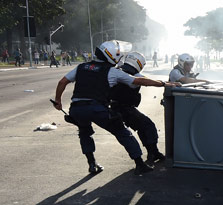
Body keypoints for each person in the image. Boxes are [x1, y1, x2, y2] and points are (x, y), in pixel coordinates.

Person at [52, 41, 177, 175]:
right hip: (97, 108)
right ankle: (140, 164)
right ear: (111, 55)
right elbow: (138, 81)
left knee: (84, 132)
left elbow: (62, 82)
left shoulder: (82, 67)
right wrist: (164, 83)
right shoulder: (112, 71)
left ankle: (92, 164)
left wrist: (58, 101)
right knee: (122, 133)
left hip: (77, 109)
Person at [109, 51, 169, 164]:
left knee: (142, 126)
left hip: (114, 107)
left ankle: (152, 152)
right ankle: (152, 153)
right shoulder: (135, 75)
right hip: (124, 109)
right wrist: (166, 84)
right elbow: (147, 81)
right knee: (148, 125)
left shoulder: (117, 71)